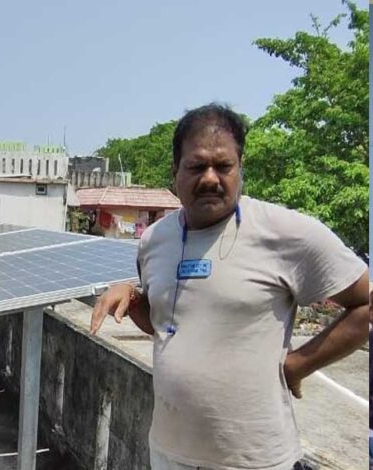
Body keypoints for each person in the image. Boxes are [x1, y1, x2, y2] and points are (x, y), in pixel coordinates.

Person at [90, 103, 369, 470]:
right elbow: (168, 325)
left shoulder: (287, 232)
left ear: (240, 168)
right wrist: (130, 296)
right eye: (196, 166)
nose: (210, 178)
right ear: (175, 171)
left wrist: (297, 365)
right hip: (169, 453)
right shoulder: (154, 240)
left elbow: (365, 303)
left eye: (223, 166)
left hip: (253, 460)